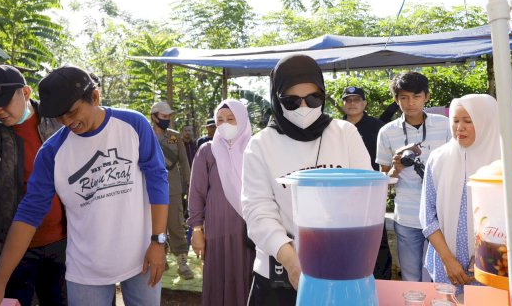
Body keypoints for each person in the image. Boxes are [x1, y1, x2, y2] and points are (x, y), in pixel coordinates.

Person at [0, 66, 169, 306]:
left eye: (72, 112)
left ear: (95, 97)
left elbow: (157, 179)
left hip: (141, 256)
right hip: (85, 268)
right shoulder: (51, 152)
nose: (68, 122)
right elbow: (29, 213)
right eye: (60, 116)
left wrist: (158, 241)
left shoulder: (133, 124)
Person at [242, 54, 372, 305]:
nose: (304, 108)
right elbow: (257, 211)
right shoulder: (261, 145)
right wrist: (291, 262)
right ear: (277, 99)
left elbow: (363, 195)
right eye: (291, 101)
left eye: (313, 98)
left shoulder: (344, 134)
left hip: (340, 264)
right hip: (279, 270)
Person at [0, 65, 66, 305]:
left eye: (3, 103)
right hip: (4, 249)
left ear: (26, 92)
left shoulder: (58, 122)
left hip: (62, 243)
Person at [420, 94, 501, 294]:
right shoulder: (438, 159)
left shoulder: (506, 162)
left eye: (468, 121)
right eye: (455, 120)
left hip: (492, 263)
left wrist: (484, 255)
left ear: (487, 122)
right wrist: (448, 260)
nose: (459, 128)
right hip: (446, 264)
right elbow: (428, 216)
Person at [376, 71, 451, 282]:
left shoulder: (445, 125)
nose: (410, 103)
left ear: (426, 96)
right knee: (410, 277)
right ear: (396, 99)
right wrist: (395, 168)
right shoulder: (387, 132)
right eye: (404, 97)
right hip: (407, 216)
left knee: (441, 276)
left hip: (440, 215)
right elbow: (385, 182)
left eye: (416, 96)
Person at [188, 99, 256, 306]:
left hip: (249, 230)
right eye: (220, 120)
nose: (224, 123)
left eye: (231, 119)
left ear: (243, 120)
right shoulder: (207, 151)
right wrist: (197, 231)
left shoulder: (255, 149)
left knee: (247, 276)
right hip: (217, 230)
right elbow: (196, 193)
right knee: (218, 278)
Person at [341, 85, 392, 280]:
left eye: (356, 100)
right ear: (343, 104)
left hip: (371, 191)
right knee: (346, 238)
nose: (352, 104)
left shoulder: (378, 127)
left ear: (364, 103)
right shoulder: (335, 128)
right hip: (342, 194)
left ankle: (381, 281)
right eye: (348, 100)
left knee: (378, 238)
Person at [150, 101, 193, 280]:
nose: (167, 119)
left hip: (172, 187)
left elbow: (183, 161)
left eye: (169, 116)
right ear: (154, 117)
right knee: (152, 225)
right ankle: (160, 256)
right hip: (150, 188)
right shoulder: (144, 135)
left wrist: (189, 184)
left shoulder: (174, 137)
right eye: (164, 116)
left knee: (176, 222)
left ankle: (182, 261)